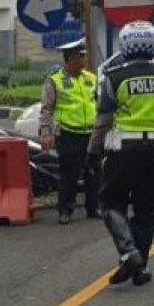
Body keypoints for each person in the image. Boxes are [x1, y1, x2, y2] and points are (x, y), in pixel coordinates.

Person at [88, 21, 154, 287]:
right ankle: (140, 267)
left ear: (124, 46)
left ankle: (129, 253)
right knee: (146, 211)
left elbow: (103, 120)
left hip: (124, 151)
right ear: (153, 45)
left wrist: (93, 150)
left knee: (109, 203)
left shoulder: (114, 76)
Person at [38, 39, 99, 224]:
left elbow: (98, 103)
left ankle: (93, 208)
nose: (85, 60)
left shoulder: (91, 78)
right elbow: (46, 108)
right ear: (70, 59)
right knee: (68, 175)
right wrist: (46, 133)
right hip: (68, 134)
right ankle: (65, 210)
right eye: (81, 57)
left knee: (94, 173)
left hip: (91, 134)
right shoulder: (55, 80)